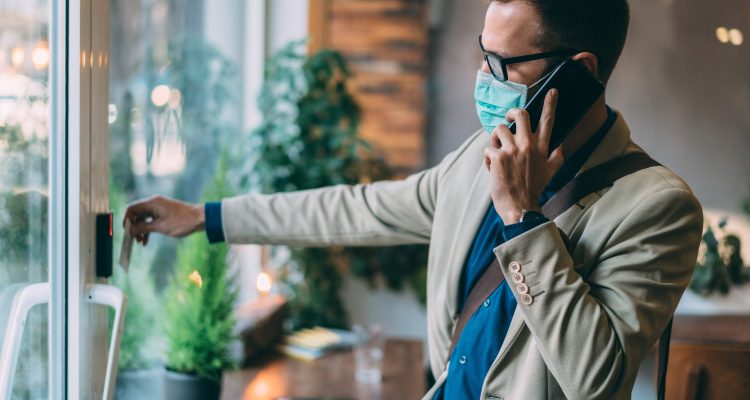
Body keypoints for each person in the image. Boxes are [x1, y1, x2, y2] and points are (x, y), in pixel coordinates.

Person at [124, 1, 703, 398]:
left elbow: (594, 381)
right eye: (483, 54)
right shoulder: (479, 158)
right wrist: (207, 218)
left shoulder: (656, 207)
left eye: (503, 64)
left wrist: (523, 221)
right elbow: (359, 208)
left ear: (577, 75)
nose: (483, 75)